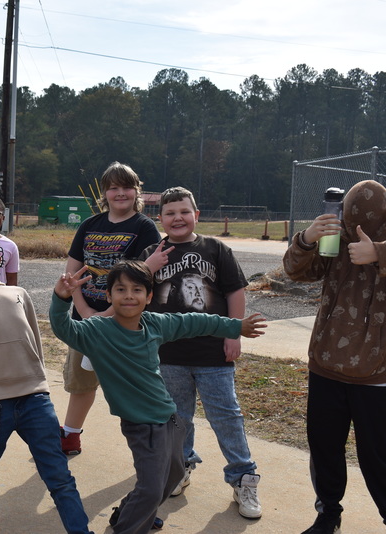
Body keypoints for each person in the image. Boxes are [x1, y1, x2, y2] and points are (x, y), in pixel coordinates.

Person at [50, 259, 266, 533]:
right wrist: (61, 298)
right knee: (151, 490)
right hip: (141, 426)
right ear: (109, 295)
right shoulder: (97, 331)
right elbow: (64, 328)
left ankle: (129, 511)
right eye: (120, 289)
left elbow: (195, 322)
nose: (129, 295)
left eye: (137, 290)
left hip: (170, 420)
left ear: (149, 296)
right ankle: (129, 525)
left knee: (172, 477)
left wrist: (235, 327)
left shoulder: (155, 324)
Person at [0, 226, 93, 534]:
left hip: (34, 397)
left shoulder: (18, 293)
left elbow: (34, 341)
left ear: (0, 256)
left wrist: (41, 383)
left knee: (58, 475)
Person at [283, 180, 386, 534]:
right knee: (324, 447)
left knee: (379, 455)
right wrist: (307, 238)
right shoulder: (334, 239)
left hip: (378, 369)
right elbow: (295, 271)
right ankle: (328, 516)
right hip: (327, 363)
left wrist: (381, 252)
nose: (360, 229)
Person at [139, 186, 262, 519]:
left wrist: (234, 332)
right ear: (160, 218)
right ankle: (181, 468)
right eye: (169, 213)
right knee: (178, 418)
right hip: (167, 354)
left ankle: (243, 477)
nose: (177, 218)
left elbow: (235, 292)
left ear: (197, 214)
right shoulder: (153, 251)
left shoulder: (215, 248)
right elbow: (132, 292)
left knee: (226, 416)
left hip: (212, 352)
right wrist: (148, 266)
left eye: (184, 211)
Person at [60, 161, 161, 455]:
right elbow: (71, 276)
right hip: (86, 323)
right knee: (81, 384)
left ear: (136, 191)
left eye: (126, 187)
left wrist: (103, 316)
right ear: (104, 193)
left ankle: (151, 447)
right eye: (113, 187)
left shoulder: (144, 228)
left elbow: (141, 280)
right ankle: (69, 436)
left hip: (125, 324)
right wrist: (85, 313)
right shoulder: (89, 226)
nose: (120, 193)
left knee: (134, 389)